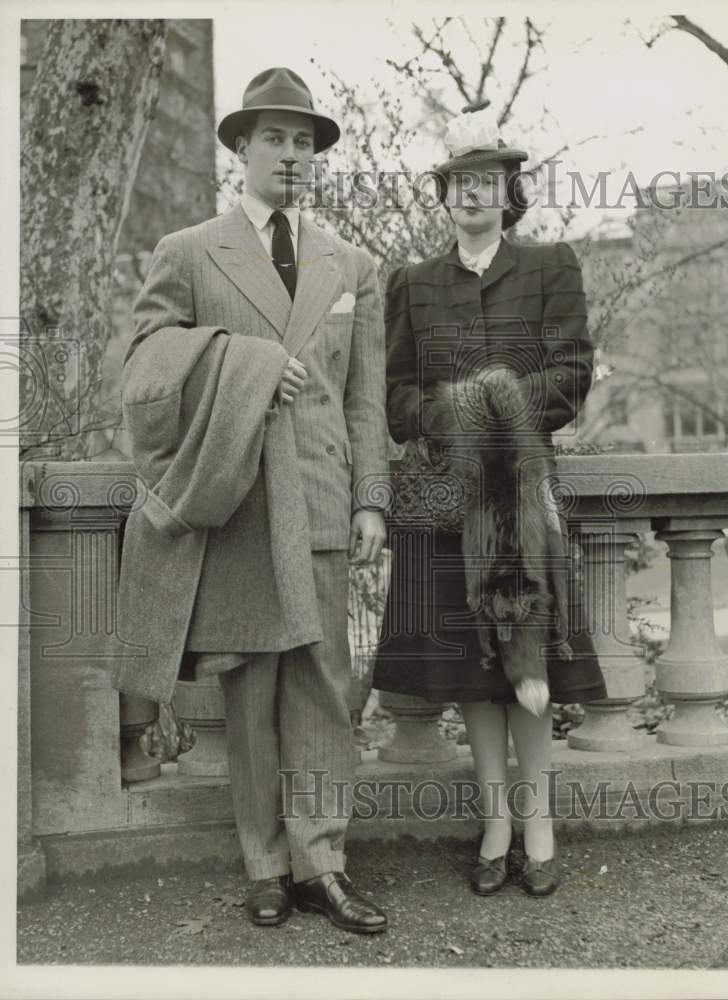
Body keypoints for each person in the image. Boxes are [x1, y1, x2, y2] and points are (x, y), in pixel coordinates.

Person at [116, 68, 389, 933]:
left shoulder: (353, 265)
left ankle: (323, 862)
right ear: (240, 149)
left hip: (316, 494)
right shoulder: (190, 249)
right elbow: (145, 368)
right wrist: (242, 359)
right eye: (274, 138)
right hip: (238, 497)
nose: (292, 155)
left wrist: (370, 499)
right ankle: (263, 864)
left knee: (321, 683)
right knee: (252, 686)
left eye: (304, 141)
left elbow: (366, 399)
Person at [373, 107, 607, 898]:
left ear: (509, 191)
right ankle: (495, 822)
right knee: (474, 669)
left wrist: (492, 405)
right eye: (457, 181)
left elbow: (571, 373)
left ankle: (537, 824)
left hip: (521, 496)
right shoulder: (410, 284)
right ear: (443, 194)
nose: (471, 193)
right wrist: (454, 419)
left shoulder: (550, 266)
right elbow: (395, 396)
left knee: (527, 657)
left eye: (487, 179)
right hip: (447, 499)